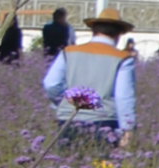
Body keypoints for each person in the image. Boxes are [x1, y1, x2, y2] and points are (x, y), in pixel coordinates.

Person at [46, 11, 139, 146]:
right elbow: (124, 96)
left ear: (94, 30)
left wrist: (64, 102)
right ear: (119, 34)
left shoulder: (69, 52)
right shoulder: (123, 58)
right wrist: (128, 128)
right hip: (104, 122)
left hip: (68, 119)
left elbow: (51, 84)